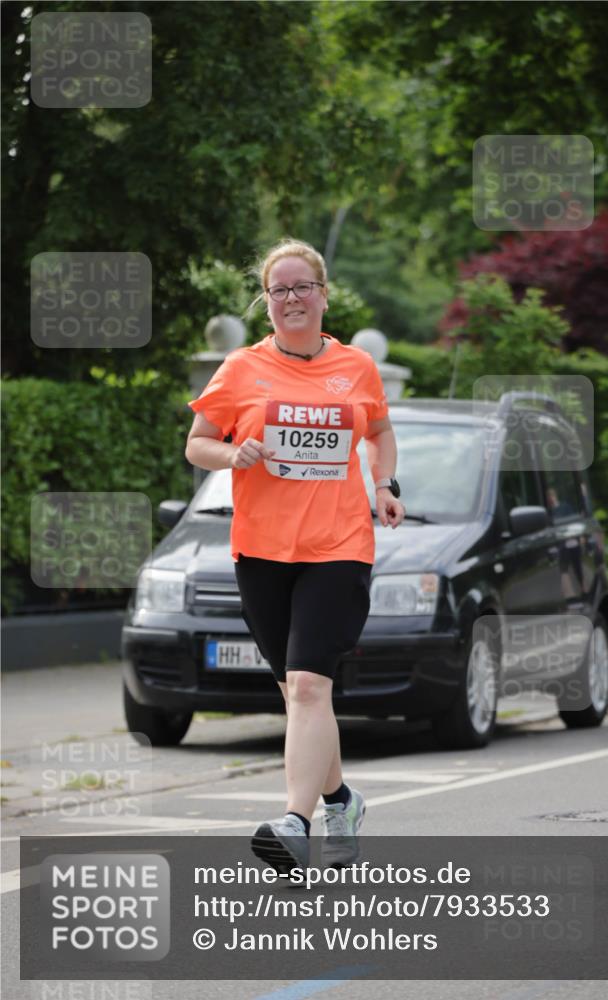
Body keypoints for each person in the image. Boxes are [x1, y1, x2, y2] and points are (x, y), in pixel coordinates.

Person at [185, 238, 405, 875]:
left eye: (301, 287)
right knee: (300, 696)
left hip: (338, 546)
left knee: (309, 684)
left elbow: (380, 430)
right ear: (266, 301)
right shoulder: (240, 368)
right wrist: (233, 455)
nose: (290, 299)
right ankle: (340, 799)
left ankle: (292, 821)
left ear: (323, 293)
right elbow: (199, 443)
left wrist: (384, 484)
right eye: (278, 290)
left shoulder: (356, 367)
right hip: (261, 549)